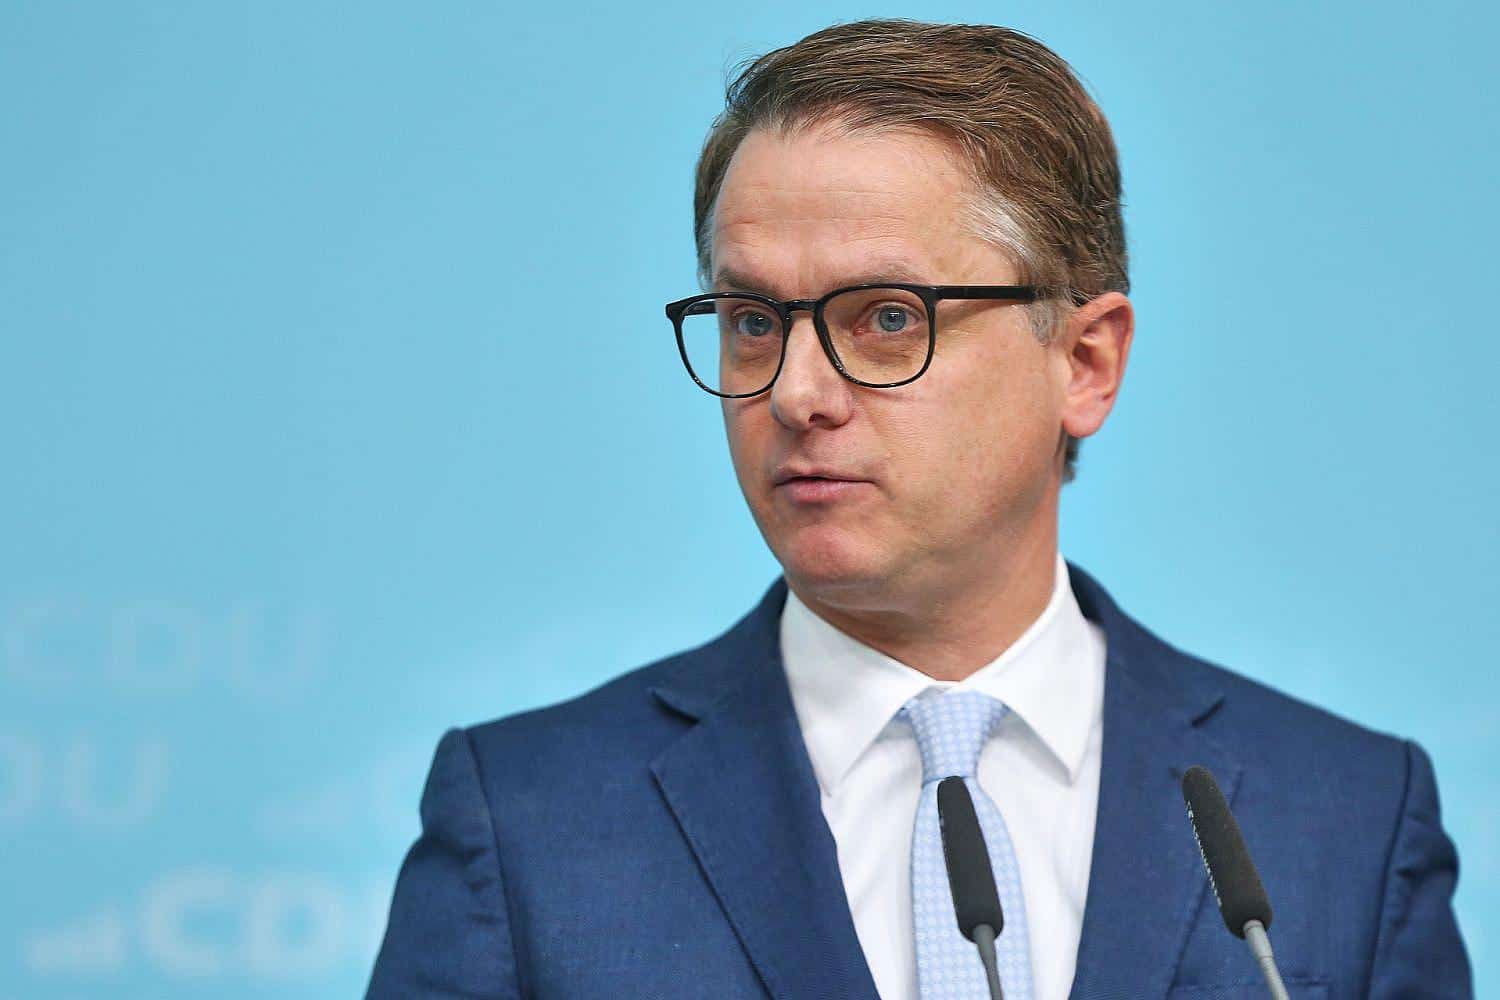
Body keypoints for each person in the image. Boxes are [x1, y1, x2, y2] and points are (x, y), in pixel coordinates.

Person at [366, 19, 1471, 999]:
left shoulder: (1344, 817)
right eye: (753, 322)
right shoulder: (530, 825)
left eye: (887, 317)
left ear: (1085, 361)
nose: (796, 393)